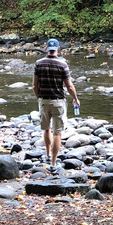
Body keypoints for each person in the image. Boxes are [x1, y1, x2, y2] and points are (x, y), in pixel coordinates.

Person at [33, 38, 80, 170]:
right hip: (58, 101)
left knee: (46, 128)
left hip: (44, 100)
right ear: (58, 49)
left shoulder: (38, 63)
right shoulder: (62, 65)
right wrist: (76, 98)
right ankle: (53, 163)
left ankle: (47, 154)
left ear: (46, 48)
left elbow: (34, 86)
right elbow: (69, 86)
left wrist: (39, 98)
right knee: (57, 133)